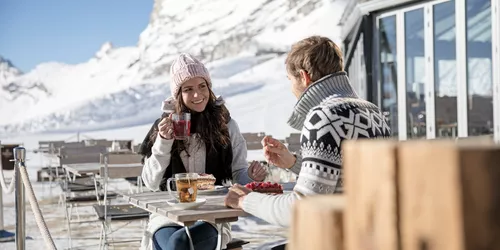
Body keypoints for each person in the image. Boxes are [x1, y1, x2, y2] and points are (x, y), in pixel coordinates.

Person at [224, 36, 391, 227]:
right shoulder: (372, 112)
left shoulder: (323, 116)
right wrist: (293, 162)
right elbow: (343, 177)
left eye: (290, 80)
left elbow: (304, 210)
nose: (291, 89)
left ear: (304, 77)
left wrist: (246, 201)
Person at [140, 53, 268, 250]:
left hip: (210, 213)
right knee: (174, 243)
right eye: (188, 89)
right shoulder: (164, 126)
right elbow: (151, 182)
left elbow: (238, 175)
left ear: (209, 87)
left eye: (202, 86)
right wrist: (164, 141)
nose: (197, 95)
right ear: (178, 95)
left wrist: (250, 176)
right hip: (169, 213)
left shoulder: (225, 125)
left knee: (181, 243)